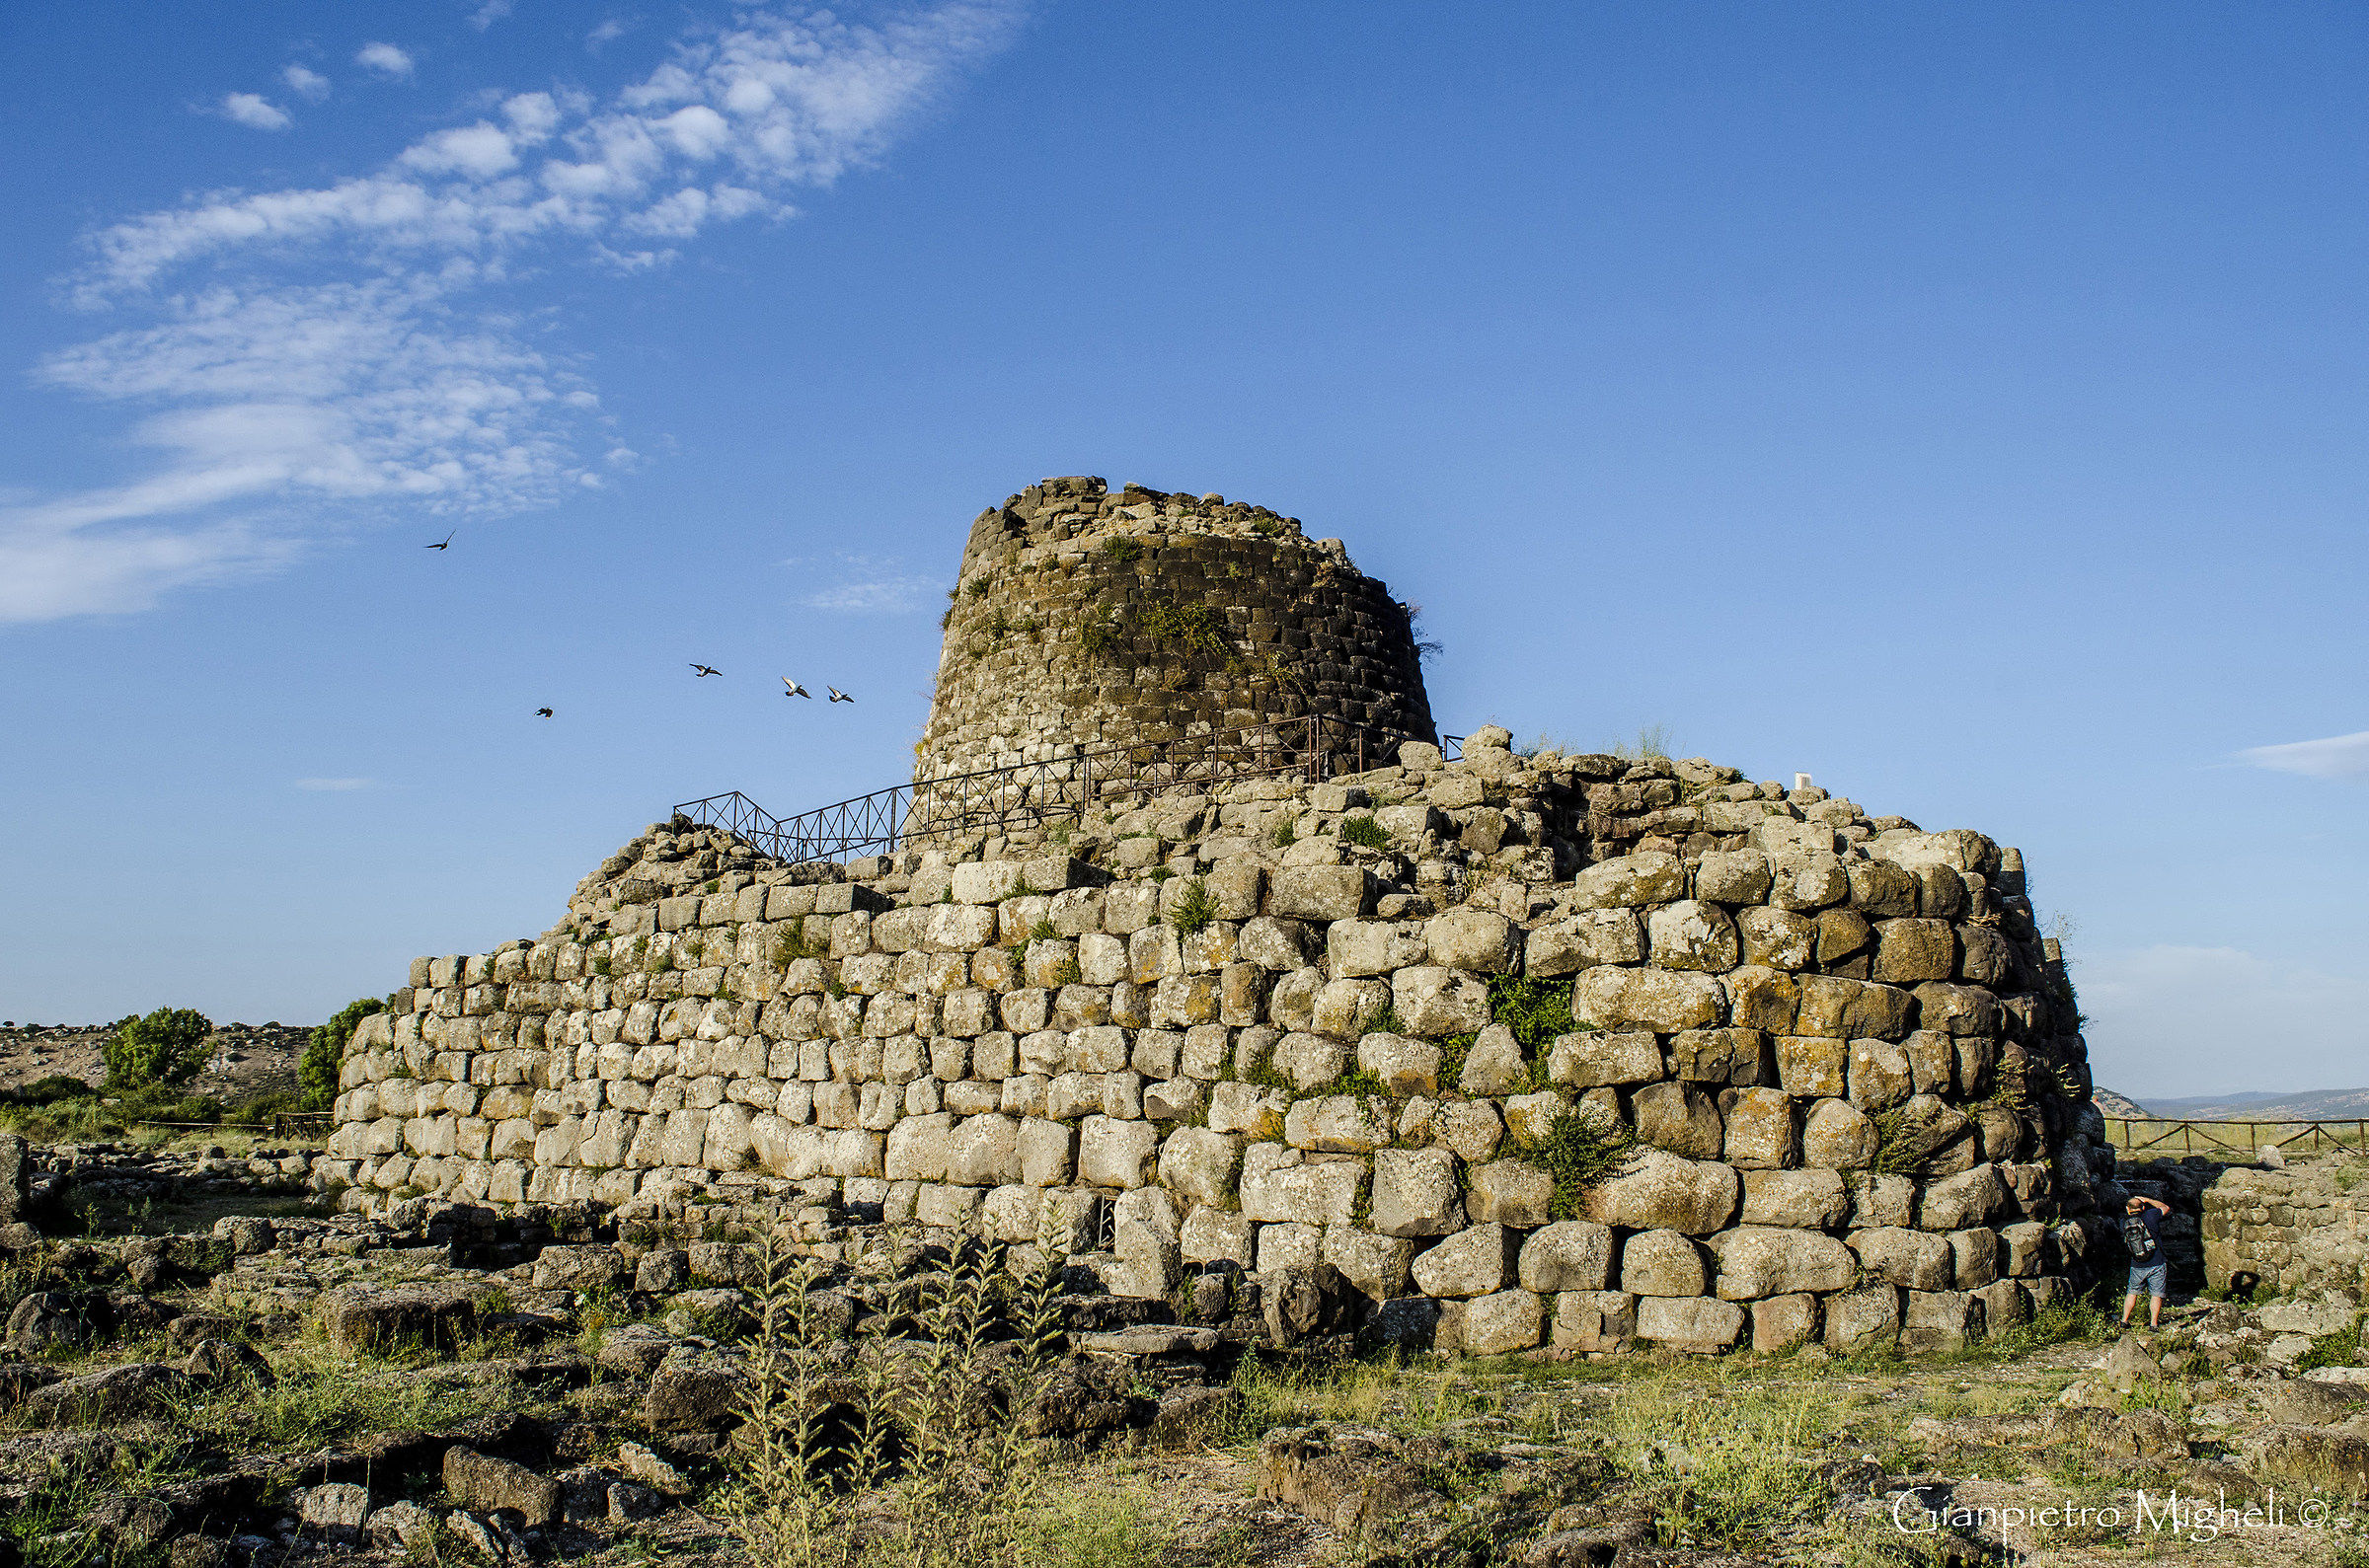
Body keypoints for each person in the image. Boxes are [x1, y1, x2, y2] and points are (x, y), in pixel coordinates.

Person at [2120, 1193, 2174, 1329]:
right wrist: (2148, 1200)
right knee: (2156, 1294)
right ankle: (2153, 1324)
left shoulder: (2125, 1221)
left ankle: (2124, 1321)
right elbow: (2165, 1208)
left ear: (2127, 1209)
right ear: (2143, 1207)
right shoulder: (2151, 1215)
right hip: (2157, 1262)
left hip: (2137, 1263)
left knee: (2132, 1292)